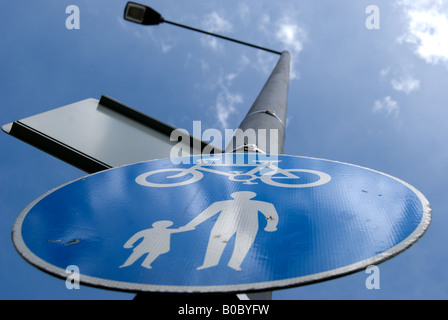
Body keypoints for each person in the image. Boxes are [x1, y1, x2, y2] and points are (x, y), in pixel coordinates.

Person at [182, 191, 279, 271]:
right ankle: (209, 263)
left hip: (248, 226)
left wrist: (271, 225)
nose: (242, 197)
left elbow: (270, 213)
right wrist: (190, 225)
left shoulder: (258, 204)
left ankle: (235, 264)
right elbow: (206, 214)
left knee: (243, 244)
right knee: (216, 241)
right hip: (225, 224)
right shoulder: (223, 203)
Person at [120, 220, 187, 269]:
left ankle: (146, 263)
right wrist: (128, 244)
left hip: (159, 246)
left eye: (164, 226)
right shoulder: (148, 231)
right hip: (144, 245)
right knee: (137, 254)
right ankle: (127, 264)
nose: (163, 227)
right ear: (156, 225)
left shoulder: (167, 230)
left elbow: (178, 230)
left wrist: (185, 228)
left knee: (154, 254)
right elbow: (136, 236)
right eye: (162, 225)